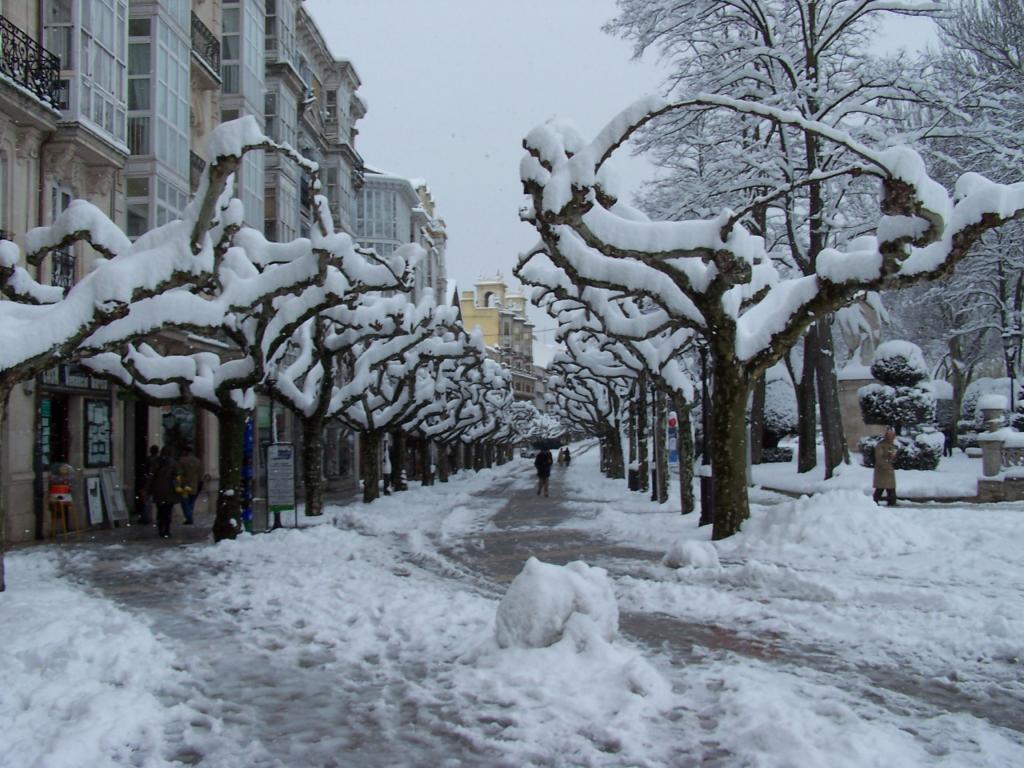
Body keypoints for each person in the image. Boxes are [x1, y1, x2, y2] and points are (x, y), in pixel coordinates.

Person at [150, 445, 180, 538]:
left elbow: (151, 476)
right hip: (169, 490)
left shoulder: (156, 462)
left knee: (160, 510)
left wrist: (149, 488)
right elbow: (177, 476)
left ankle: (160, 529)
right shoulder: (173, 463)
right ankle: (166, 530)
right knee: (168, 511)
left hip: (158, 490)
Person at [177, 446, 202, 525]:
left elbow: (179, 473)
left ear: (185, 451)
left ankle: (189, 517)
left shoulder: (182, 460)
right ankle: (189, 517)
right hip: (194, 485)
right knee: (191, 502)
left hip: (185, 485)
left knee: (185, 503)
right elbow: (200, 474)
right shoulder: (197, 461)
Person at [873, 428, 898, 507]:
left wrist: (892, 457)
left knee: (890, 487)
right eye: (890, 435)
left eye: (892, 435)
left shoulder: (892, 445)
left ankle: (892, 501)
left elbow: (893, 457)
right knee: (880, 487)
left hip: (888, 470)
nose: (892, 437)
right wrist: (886, 465)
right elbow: (879, 458)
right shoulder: (881, 445)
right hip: (882, 470)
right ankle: (875, 502)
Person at [138, 445, 160, 525]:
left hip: (148, 483)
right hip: (157, 483)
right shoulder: (160, 460)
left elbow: (144, 472)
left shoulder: (147, 460)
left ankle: (146, 517)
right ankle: (156, 517)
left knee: (146, 502)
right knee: (157, 502)